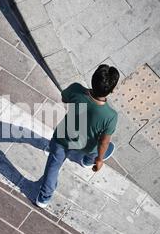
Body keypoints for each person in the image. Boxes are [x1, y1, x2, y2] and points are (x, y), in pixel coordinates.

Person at [36, 64, 120, 208]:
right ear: (112, 90)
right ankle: (87, 161)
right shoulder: (111, 116)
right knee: (101, 146)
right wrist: (99, 159)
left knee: (53, 166)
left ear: (93, 79)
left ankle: (44, 198)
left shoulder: (76, 89)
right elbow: (104, 142)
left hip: (63, 138)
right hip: (86, 146)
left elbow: (64, 98)